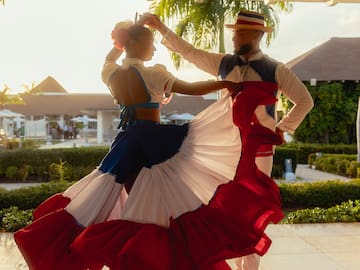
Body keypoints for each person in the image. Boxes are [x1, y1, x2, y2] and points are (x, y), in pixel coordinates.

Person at [14, 20, 279, 270]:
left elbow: (109, 59)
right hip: (155, 143)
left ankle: (141, 258)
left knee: (135, 206)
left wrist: (118, 46)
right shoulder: (153, 73)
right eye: (151, 42)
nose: (153, 47)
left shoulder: (111, 72)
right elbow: (192, 87)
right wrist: (226, 85)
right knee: (170, 207)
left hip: (127, 143)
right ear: (138, 43)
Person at [141, 10, 314, 270]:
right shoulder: (222, 63)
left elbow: (305, 101)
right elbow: (189, 52)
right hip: (226, 150)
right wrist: (160, 27)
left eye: (241, 32)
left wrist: (281, 129)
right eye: (234, 32)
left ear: (257, 35)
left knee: (251, 215)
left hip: (259, 153)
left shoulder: (277, 70)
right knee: (224, 214)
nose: (235, 37)